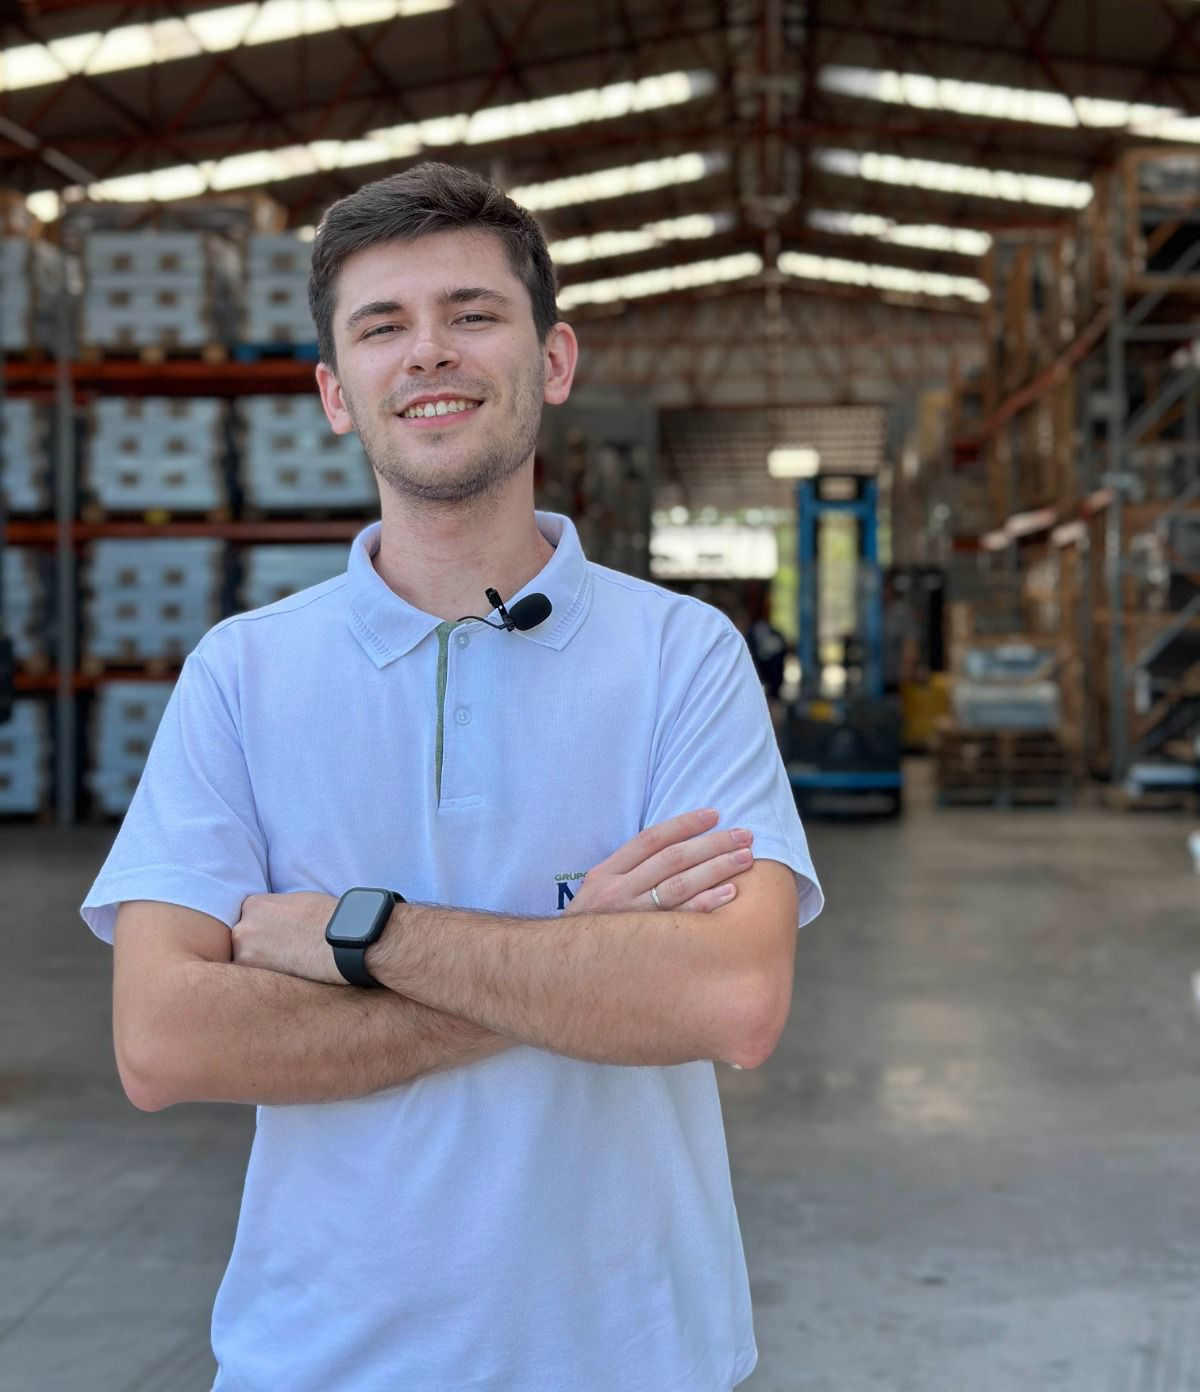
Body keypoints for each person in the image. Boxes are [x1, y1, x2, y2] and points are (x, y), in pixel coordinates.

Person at [82, 162, 823, 1392]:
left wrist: (359, 938)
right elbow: (163, 1041)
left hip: (634, 1355)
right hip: (317, 1360)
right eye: (383, 326)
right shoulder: (242, 674)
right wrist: (580, 956)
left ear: (554, 360)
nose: (428, 350)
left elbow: (731, 999)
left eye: (473, 313)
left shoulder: (683, 655)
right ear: (336, 393)